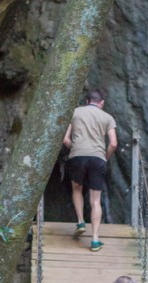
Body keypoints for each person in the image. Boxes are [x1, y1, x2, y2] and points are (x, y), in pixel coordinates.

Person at [63, 88, 117, 252]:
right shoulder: (107, 117)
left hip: (77, 157)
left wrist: (76, 149)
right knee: (95, 200)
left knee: (77, 189)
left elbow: (65, 139)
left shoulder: (75, 113)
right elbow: (113, 144)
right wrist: (104, 158)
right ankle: (94, 240)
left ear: (87, 101)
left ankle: (80, 221)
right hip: (97, 159)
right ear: (101, 103)